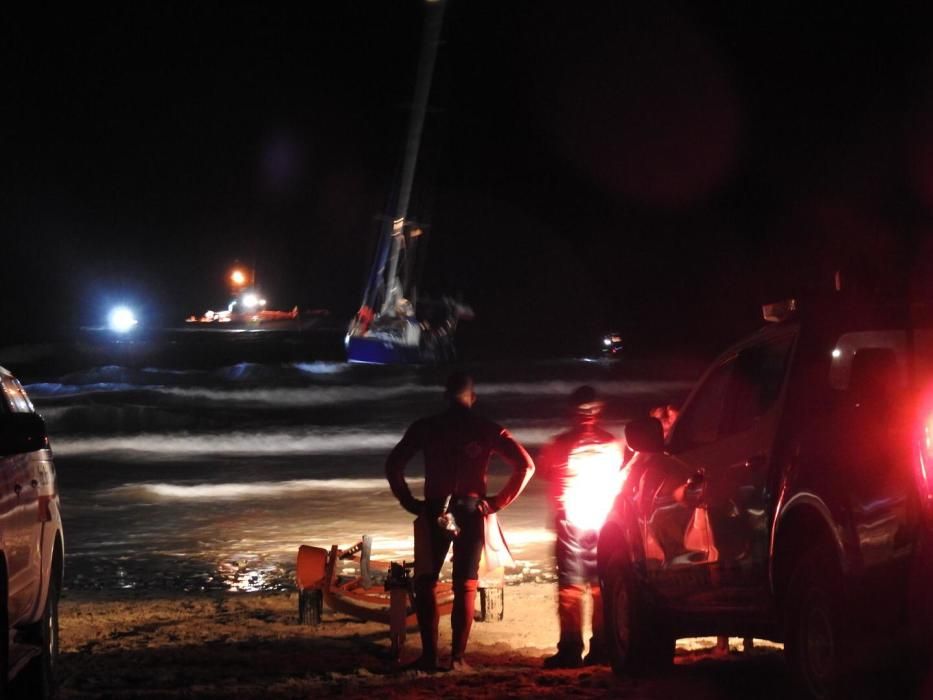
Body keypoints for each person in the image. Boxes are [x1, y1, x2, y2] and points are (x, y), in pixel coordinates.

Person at [385, 371, 535, 671]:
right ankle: (457, 658)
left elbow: (394, 464)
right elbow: (526, 466)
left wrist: (409, 501)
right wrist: (495, 503)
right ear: (473, 398)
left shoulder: (427, 427)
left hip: (436, 510)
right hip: (470, 509)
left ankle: (429, 656)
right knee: (466, 583)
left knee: (426, 583)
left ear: (444, 396)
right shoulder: (487, 428)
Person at [537, 386, 626, 668]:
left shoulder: (560, 444)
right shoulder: (612, 444)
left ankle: (573, 648)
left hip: (573, 519)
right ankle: (599, 645)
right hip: (599, 518)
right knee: (598, 586)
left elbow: (543, 471)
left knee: (573, 587)